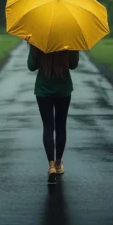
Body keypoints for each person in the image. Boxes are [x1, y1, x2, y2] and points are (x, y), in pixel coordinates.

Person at [27, 42, 79, 184]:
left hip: (43, 90)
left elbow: (31, 66)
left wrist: (33, 46)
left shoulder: (38, 39)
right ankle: (58, 163)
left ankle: (50, 166)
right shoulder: (70, 39)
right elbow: (73, 65)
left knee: (48, 126)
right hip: (63, 89)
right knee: (61, 126)